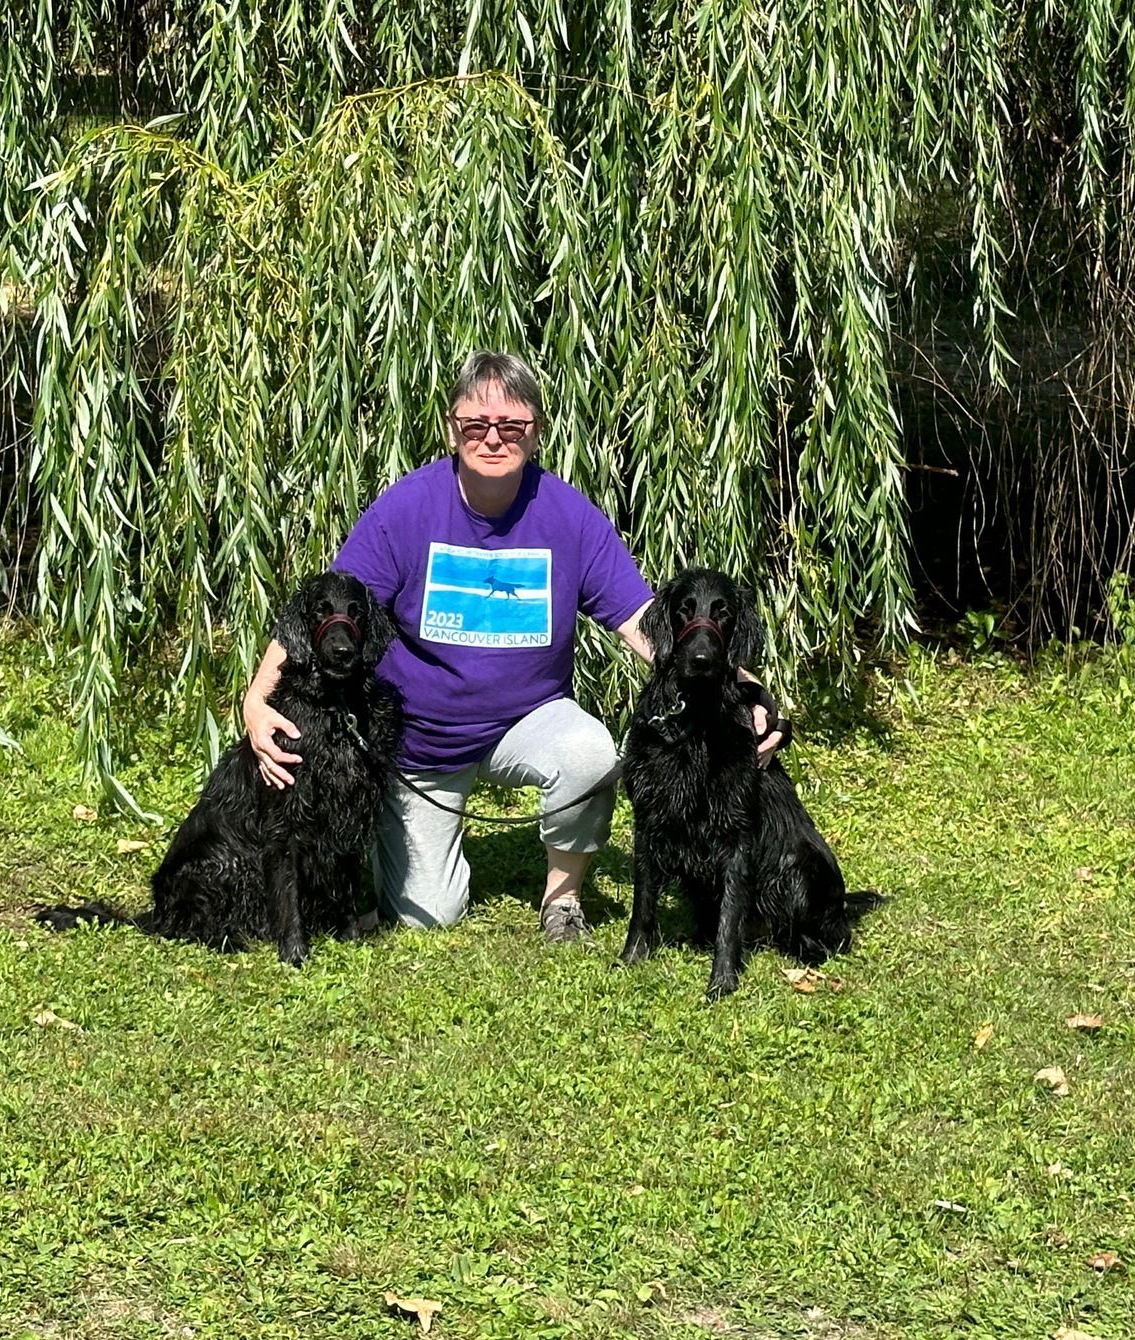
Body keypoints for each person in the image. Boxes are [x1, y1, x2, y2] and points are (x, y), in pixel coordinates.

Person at [241, 351, 782, 940]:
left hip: (530, 719)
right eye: (476, 425)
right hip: (422, 740)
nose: (492, 438)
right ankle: (389, 839)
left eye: (512, 426)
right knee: (429, 916)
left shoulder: (570, 517)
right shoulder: (406, 508)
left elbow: (645, 622)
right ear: (453, 430)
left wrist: (744, 688)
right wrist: (257, 698)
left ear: (536, 431)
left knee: (589, 750)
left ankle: (563, 897)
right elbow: (333, 609)